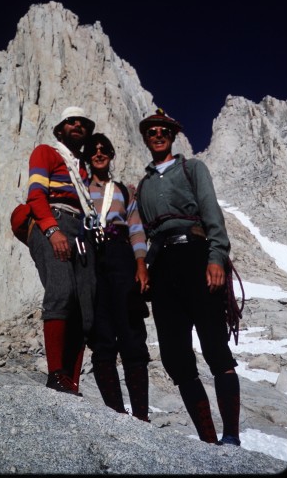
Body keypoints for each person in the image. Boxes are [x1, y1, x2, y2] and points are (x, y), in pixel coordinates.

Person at [136, 108, 241, 445]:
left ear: (173, 134)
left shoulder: (192, 168)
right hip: (163, 267)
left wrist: (216, 258)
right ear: (146, 138)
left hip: (196, 257)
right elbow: (146, 234)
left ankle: (232, 437)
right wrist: (144, 269)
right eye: (151, 130)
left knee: (214, 344)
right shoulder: (144, 185)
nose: (157, 134)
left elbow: (211, 213)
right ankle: (208, 441)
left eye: (163, 129)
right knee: (175, 356)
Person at [20, 106, 99, 396]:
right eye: (71, 121)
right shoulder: (46, 152)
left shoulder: (81, 170)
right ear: (60, 128)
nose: (78, 125)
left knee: (83, 306)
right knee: (62, 291)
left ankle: (71, 382)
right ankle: (56, 374)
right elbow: (36, 195)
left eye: (83, 123)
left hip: (81, 230)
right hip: (53, 221)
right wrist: (52, 230)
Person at [83, 133, 151, 422]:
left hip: (121, 256)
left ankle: (140, 416)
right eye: (94, 150)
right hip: (91, 259)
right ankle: (115, 413)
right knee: (102, 336)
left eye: (104, 150)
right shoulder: (80, 189)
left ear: (111, 154)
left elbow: (135, 227)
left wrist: (141, 264)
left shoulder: (124, 190)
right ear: (88, 157)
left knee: (132, 333)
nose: (99, 154)